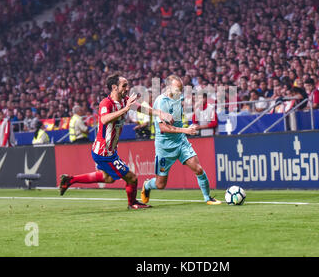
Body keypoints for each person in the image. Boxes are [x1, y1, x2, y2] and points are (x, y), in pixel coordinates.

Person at [59, 74, 173, 210]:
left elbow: (142, 109)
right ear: (114, 87)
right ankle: (133, 203)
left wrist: (160, 113)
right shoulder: (105, 103)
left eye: (127, 85)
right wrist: (125, 109)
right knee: (132, 178)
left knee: (108, 178)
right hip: (104, 152)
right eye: (124, 85)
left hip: (108, 150)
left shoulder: (125, 100)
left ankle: (70, 180)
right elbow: (104, 119)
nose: (127, 88)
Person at [141, 75, 222, 206]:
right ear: (168, 88)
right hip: (165, 147)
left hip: (181, 142)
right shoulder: (161, 102)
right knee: (160, 184)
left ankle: (208, 198)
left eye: (181, 89)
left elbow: (193, 100)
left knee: (198, 169)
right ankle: (147, 185)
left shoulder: (178, 98)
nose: (180, 92)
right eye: (177, 89)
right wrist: (185, 130)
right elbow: (162, 127)